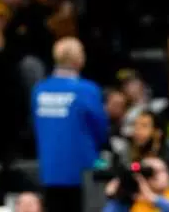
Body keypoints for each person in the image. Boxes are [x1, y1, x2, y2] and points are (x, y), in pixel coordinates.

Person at [31, 37, 108, 212]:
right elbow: (100, 129)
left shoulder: (39, 90)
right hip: (82, 172)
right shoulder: (87, 90)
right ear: (78, 59)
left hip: (50, 170)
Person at [102, 157, 169, 212]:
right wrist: (115, 197)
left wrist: (153, 198)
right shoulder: (129, 202)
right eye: (150, 172)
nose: (155, 175)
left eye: (160, 171)